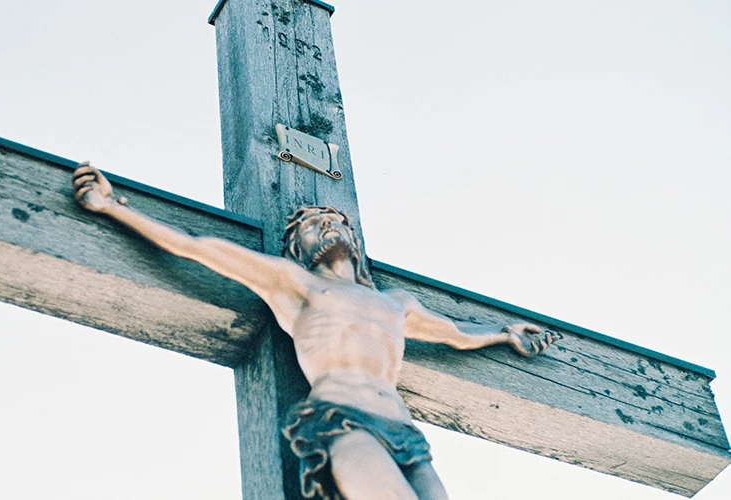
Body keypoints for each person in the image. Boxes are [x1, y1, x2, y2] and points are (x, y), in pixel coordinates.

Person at [72, 163, 559, 500]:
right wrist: (113, 207)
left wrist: (504, 332)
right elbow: (197, 247)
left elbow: (455, 333)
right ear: (297, 248)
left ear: (352, 237)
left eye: (332, 221)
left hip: (406, 434)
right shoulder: (295, 285)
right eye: (311, 225)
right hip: (341, 420)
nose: (325, 227)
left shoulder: (396, 303)